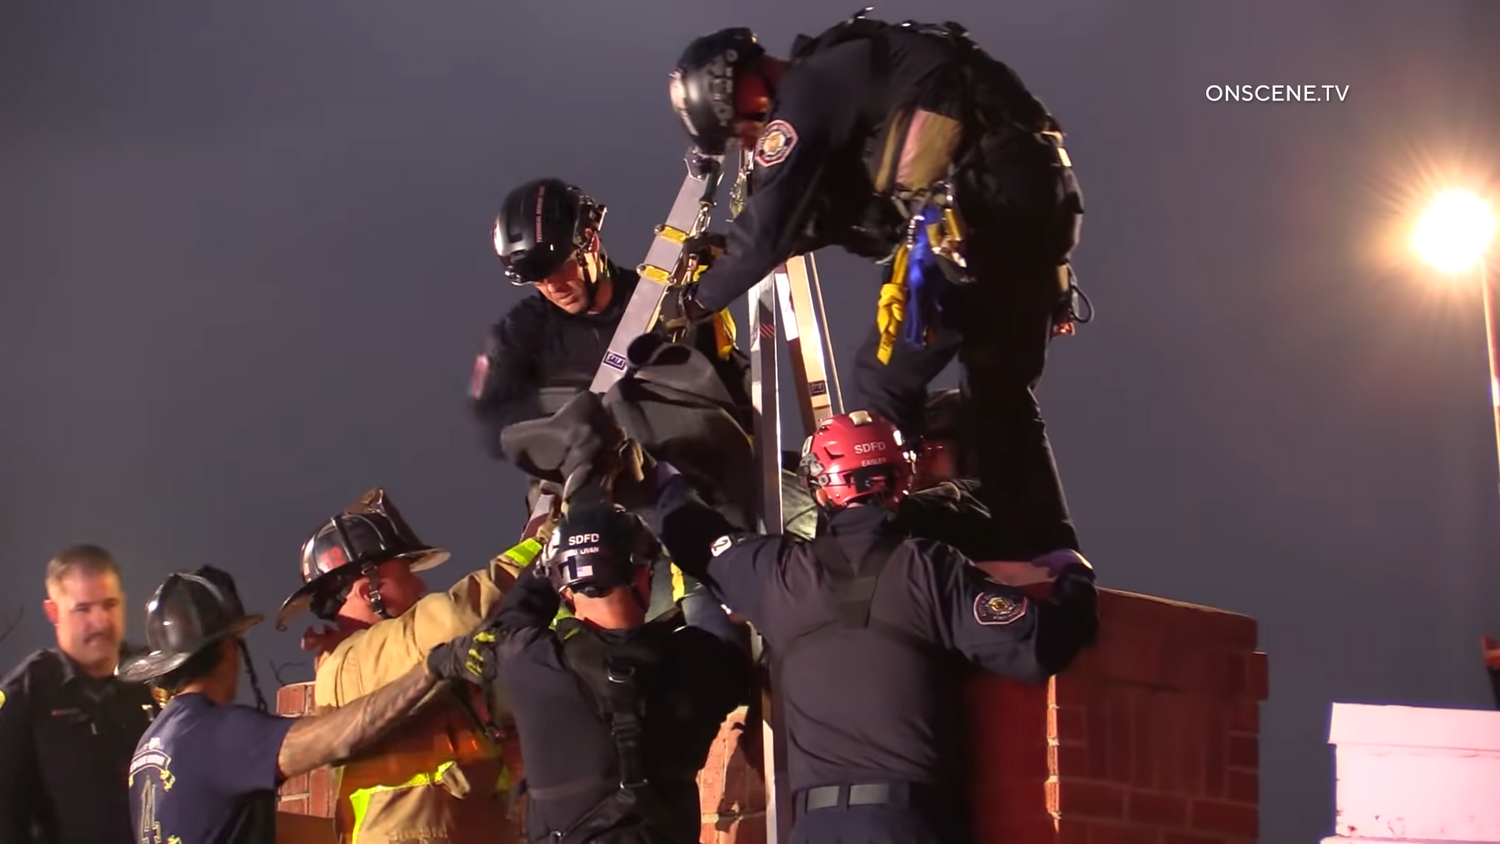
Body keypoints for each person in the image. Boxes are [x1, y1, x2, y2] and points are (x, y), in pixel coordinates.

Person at [666, 13, 1087, 564]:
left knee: (883, 380)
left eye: (735, 130)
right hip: (1036, 212)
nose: (747, 138)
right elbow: (870, 226)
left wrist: (693, 301)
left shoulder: (808, 86)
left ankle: (877, 556)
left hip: (974, 214)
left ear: (729, 90)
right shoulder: (872, 70)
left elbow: (765, 230)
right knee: (1000, 395)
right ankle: (1048, 552)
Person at [638, 410, 1100, 844]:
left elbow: (698, 539)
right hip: (906, 821)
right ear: (900, 477)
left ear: (821, 485)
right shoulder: (928, 569)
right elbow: (1038, 647)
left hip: (815, 828)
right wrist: (1074, 580)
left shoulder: (779, 574)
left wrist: (661, 484)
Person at [121, 565, 499, 844]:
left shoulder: (150, 751)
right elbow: (335, 739)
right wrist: (431, 670)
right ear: (228, 647)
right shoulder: (214, 733)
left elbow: (272, 832)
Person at [463, 498, 752, 844]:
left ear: (564, 589)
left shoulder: (533, 664)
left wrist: (552, 558)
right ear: (642, 575)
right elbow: (721, 634)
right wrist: (688, 568)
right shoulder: (695, 664)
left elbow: (502, 628)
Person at [275, 487, 523, 844]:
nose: (421, 584)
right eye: (406, 573)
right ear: (367, 592)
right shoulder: (349, 663)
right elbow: (457, 616)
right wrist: (542, 540)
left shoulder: (387, 660)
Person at [469, 177, 752, 471]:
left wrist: (708, 297)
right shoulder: (522, 332)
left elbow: (733, 386)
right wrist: (562, 425)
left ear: (589, 241)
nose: (553, 287)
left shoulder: (663, 306)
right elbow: (490, 423)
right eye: (538, 280)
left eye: (560, 269)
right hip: (594, 490)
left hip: (688, 474)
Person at [0, 543, 160, 844]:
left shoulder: (158, 677)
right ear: (53, 611)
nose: (100, 622)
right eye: (83, 609)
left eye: (110, 605)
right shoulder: (25, 695)